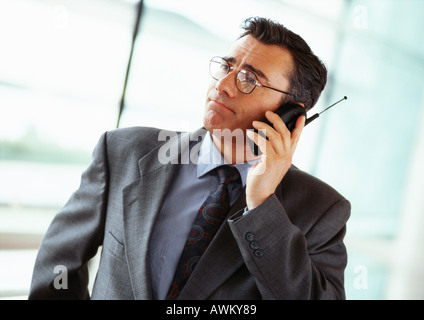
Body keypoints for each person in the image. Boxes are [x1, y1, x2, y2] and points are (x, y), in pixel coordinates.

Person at [29, 17, 350, 300]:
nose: (222, 85)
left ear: (291, 114)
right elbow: (59, 264)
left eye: (249, 79)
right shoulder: (124, 151)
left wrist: (262, 203)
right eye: (226, 67)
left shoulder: (321, 210)